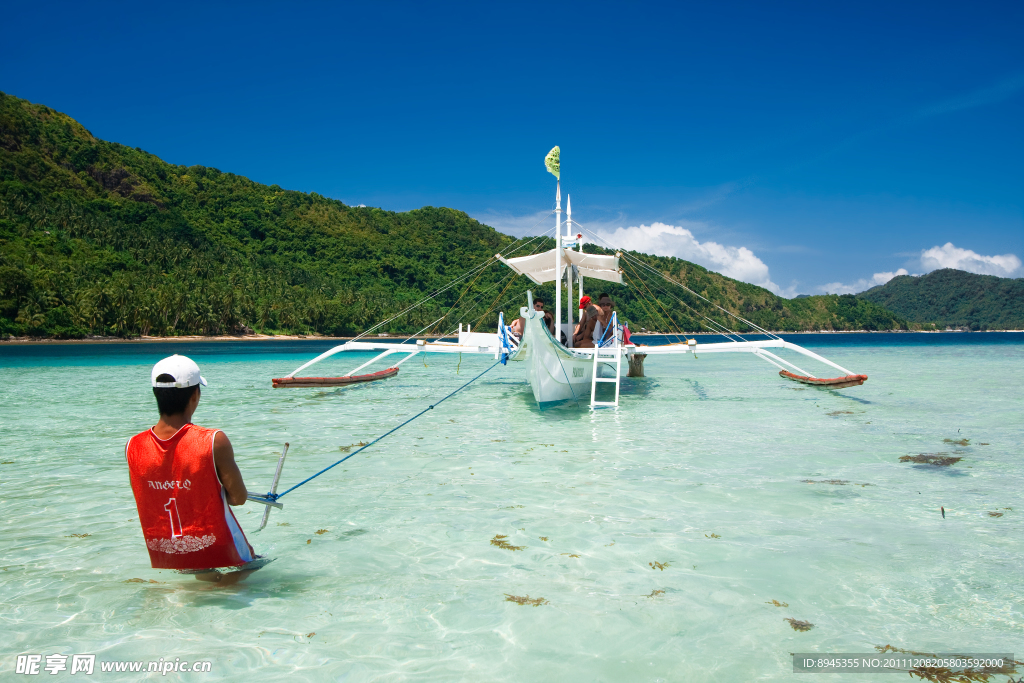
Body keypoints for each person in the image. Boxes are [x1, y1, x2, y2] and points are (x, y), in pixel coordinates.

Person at [125, 355, 259, 583]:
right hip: (221, 548)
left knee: (201, 587)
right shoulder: (214, 440)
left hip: (169, 553)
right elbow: (238, 498)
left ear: (156, 394)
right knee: (257, 572)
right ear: (195, 396)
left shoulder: (133, 445)